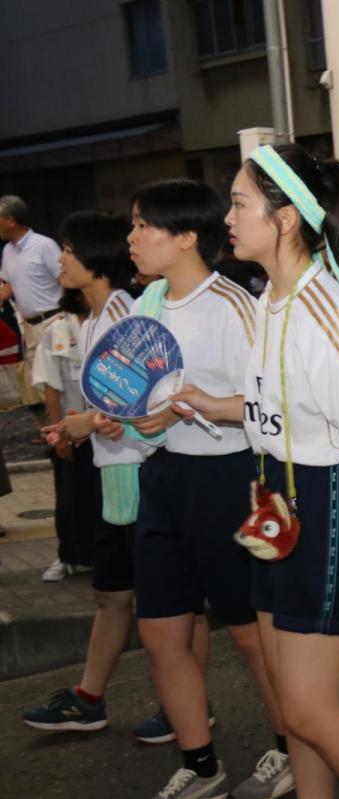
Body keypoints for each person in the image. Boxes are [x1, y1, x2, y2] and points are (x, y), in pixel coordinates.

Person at [178, 143, 339, 796]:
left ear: (283, 220)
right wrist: (210, 404)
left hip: (327, 504)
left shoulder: (322, 305)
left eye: (240, 203)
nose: (228, 217)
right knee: (293, 704)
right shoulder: (272, 300)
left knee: (309, 710)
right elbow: (275, 404)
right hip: (276, 504)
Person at [121, 179, 290, 799]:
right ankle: (200, 763)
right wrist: (120, 417)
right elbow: (133, 391)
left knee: (249, 632)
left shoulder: (233, 307)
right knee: (160, 630)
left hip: (229, 478)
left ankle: (291, 749)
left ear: (186, 236)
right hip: (163, 477)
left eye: (144, 225)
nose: (132, 237)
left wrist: (190, 409)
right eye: (133, 224)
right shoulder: (145, 308)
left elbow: (270, 399)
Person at [22, 211, 202, 742]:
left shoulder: (128, 312)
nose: (60, 260)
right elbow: (115, 400)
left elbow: (150, 396)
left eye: (68, 249)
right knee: (112, 594)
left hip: (143, 474)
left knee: (174, 604)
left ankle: (188, 707)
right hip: (115, 476)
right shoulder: (93, 319)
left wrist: (87, 423)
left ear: (94, 256)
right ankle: (89, 698)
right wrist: (79, 425)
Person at [32, 287, 95, 581]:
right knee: (70, 500)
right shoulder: (56, 330)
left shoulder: (113, 321)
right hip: (71, 430)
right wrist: (58, 434)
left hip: (107, 428)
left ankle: (111, 558)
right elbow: (51, 387)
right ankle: (67, 557)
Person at [0, 195, 63, 418]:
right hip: (29, 327)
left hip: (54, 321)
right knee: (36, 386)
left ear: (10, 220)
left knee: (57, 381)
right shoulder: (7, 251)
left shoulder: (44, 245)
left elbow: (65, 279)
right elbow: (10, 284)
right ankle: (50, 428)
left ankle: (65, 427)